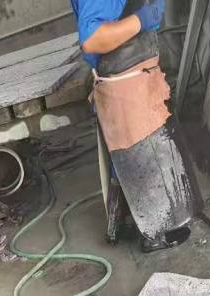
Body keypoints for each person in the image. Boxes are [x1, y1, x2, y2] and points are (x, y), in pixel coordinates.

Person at [69, 0, 195, 251]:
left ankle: (124, 220)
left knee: (133, 153)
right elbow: (92, 39)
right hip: (125, 84)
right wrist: (142, 19)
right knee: (143, 153)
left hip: (133, 75)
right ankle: (155, 232)